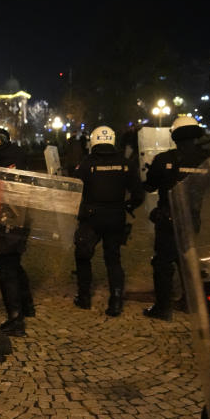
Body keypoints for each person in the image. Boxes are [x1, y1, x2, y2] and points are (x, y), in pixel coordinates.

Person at [72, 125, 142, 316]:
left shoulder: (86, 164)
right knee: (113, 259)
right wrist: (129, 206)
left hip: (91, 218)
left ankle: (84, 297)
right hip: (116, 217)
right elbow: (138, 193)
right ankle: (116, 301)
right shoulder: (125, 163)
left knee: (83, 256)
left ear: (93, 141)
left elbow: (74, 189)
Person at [143, 116, 208, 320]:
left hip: (168, 219)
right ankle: (190, 301)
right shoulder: (208, 159)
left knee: (163, 263)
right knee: (186, 260)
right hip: (193, 218)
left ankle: (163, 308)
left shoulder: (164, 159)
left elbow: (150, 185)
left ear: (175, 136)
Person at [0, 126, 34, 336]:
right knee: (13, 260)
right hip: (19, 215)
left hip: (13, 215)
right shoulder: (13, 154)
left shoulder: (5, 159)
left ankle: (15, 319)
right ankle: (27, 305)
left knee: (6, 264)